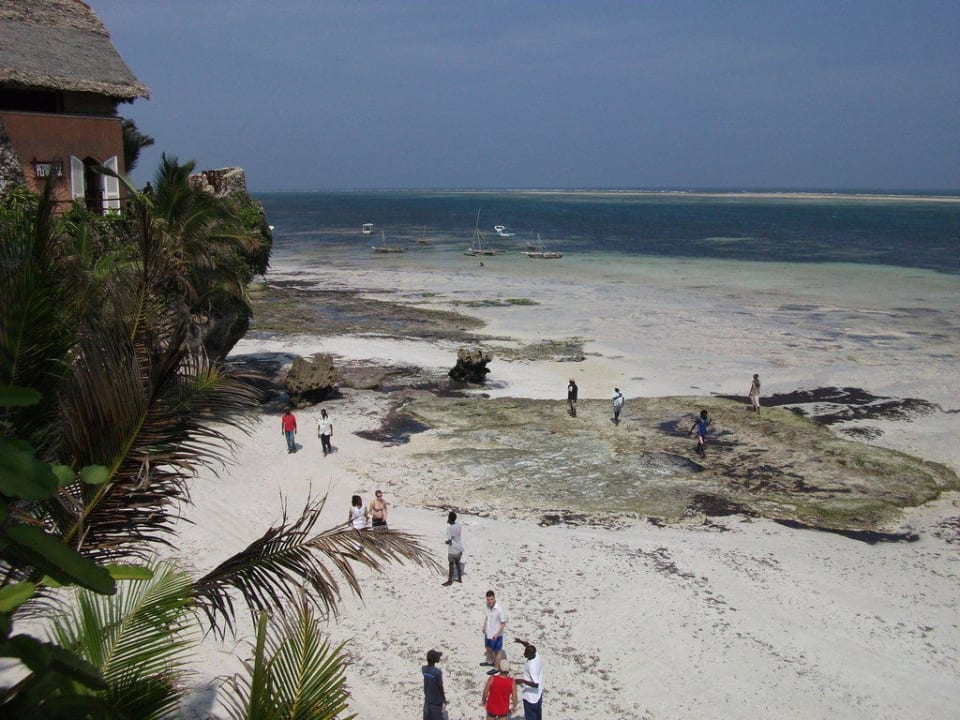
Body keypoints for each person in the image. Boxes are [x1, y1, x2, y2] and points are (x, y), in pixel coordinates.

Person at [513, 638, 544, 720]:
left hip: (531, 698)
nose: (524, 654)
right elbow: (528, 645)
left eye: (526, 653)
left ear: (530, 654)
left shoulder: (532, 667)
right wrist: (521, 641)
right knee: (538, 715)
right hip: (539, 694)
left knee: (531, 716)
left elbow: (535, 684)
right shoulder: (536, 655)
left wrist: (522, 681)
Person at [481, 590, 507, 673]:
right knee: (488, 647)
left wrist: (497, 634)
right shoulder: (487, 606)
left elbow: (503, 623)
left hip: (496, 634)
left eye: (491, 599)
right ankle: (490, 661)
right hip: (488, 632)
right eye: (488, 600)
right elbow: (487, 616)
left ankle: (496, 667)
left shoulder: (499, 609)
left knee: (497, 652)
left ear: (494, 598)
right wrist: (484, 626)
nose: (490, 601)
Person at [421, 648, 446, 720]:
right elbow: (440, 686)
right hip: (436, 703)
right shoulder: (438, 672)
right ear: (435, 660)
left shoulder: (424, 669)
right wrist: (443, 698)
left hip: (427, 701)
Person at [442, 511, 464, 586]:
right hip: (460, 548)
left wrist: (446, 542)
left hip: (453, 549)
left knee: (451, 564)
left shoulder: (449, 529)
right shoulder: (458, 525)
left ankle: (450, 580)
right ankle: (460, 578)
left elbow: (449, 540)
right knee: (457, 563)